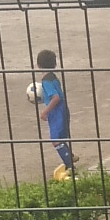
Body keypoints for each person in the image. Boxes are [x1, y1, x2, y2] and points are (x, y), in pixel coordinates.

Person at [30, 49, 76, 182]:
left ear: (38, 65)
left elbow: (55, 98)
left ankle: (70, 165)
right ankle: (70, 157)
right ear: (54, 64)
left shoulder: (46, 81)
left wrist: (45, 111)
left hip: (57, 111)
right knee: (59, 137)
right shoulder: (53, 77)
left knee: (56, 139)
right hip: (62, 109)